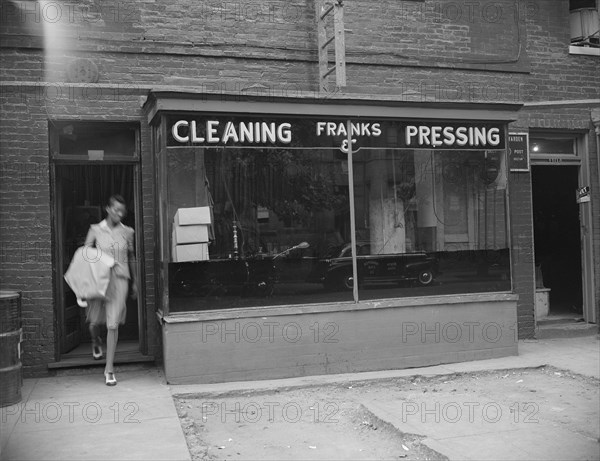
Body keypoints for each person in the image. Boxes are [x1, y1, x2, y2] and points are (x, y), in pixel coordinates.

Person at [84, 194, 137, 386]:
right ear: (108, 209)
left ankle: (109, 369)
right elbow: (85, 254)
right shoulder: (95, 230)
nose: (119, 214)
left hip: (120, 279)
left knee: (112, 324)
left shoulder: (128, 232)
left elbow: (131, 256)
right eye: (116, 209)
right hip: (99, 280)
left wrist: (135, 281)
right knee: (93, 322)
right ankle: (95, 340)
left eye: (122, 211)